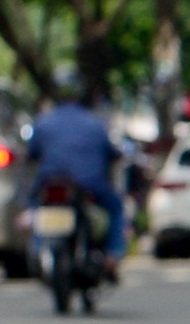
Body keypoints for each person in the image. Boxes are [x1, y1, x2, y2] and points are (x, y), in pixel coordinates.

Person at [28, 94, 122, 261]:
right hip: (90, 183)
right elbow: (111, 153)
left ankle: (36, 248)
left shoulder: (44, 121)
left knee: (35, 206)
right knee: (116, 208)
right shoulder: (94, 123)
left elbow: (31, 153)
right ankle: (113, 256)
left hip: (50, 181)